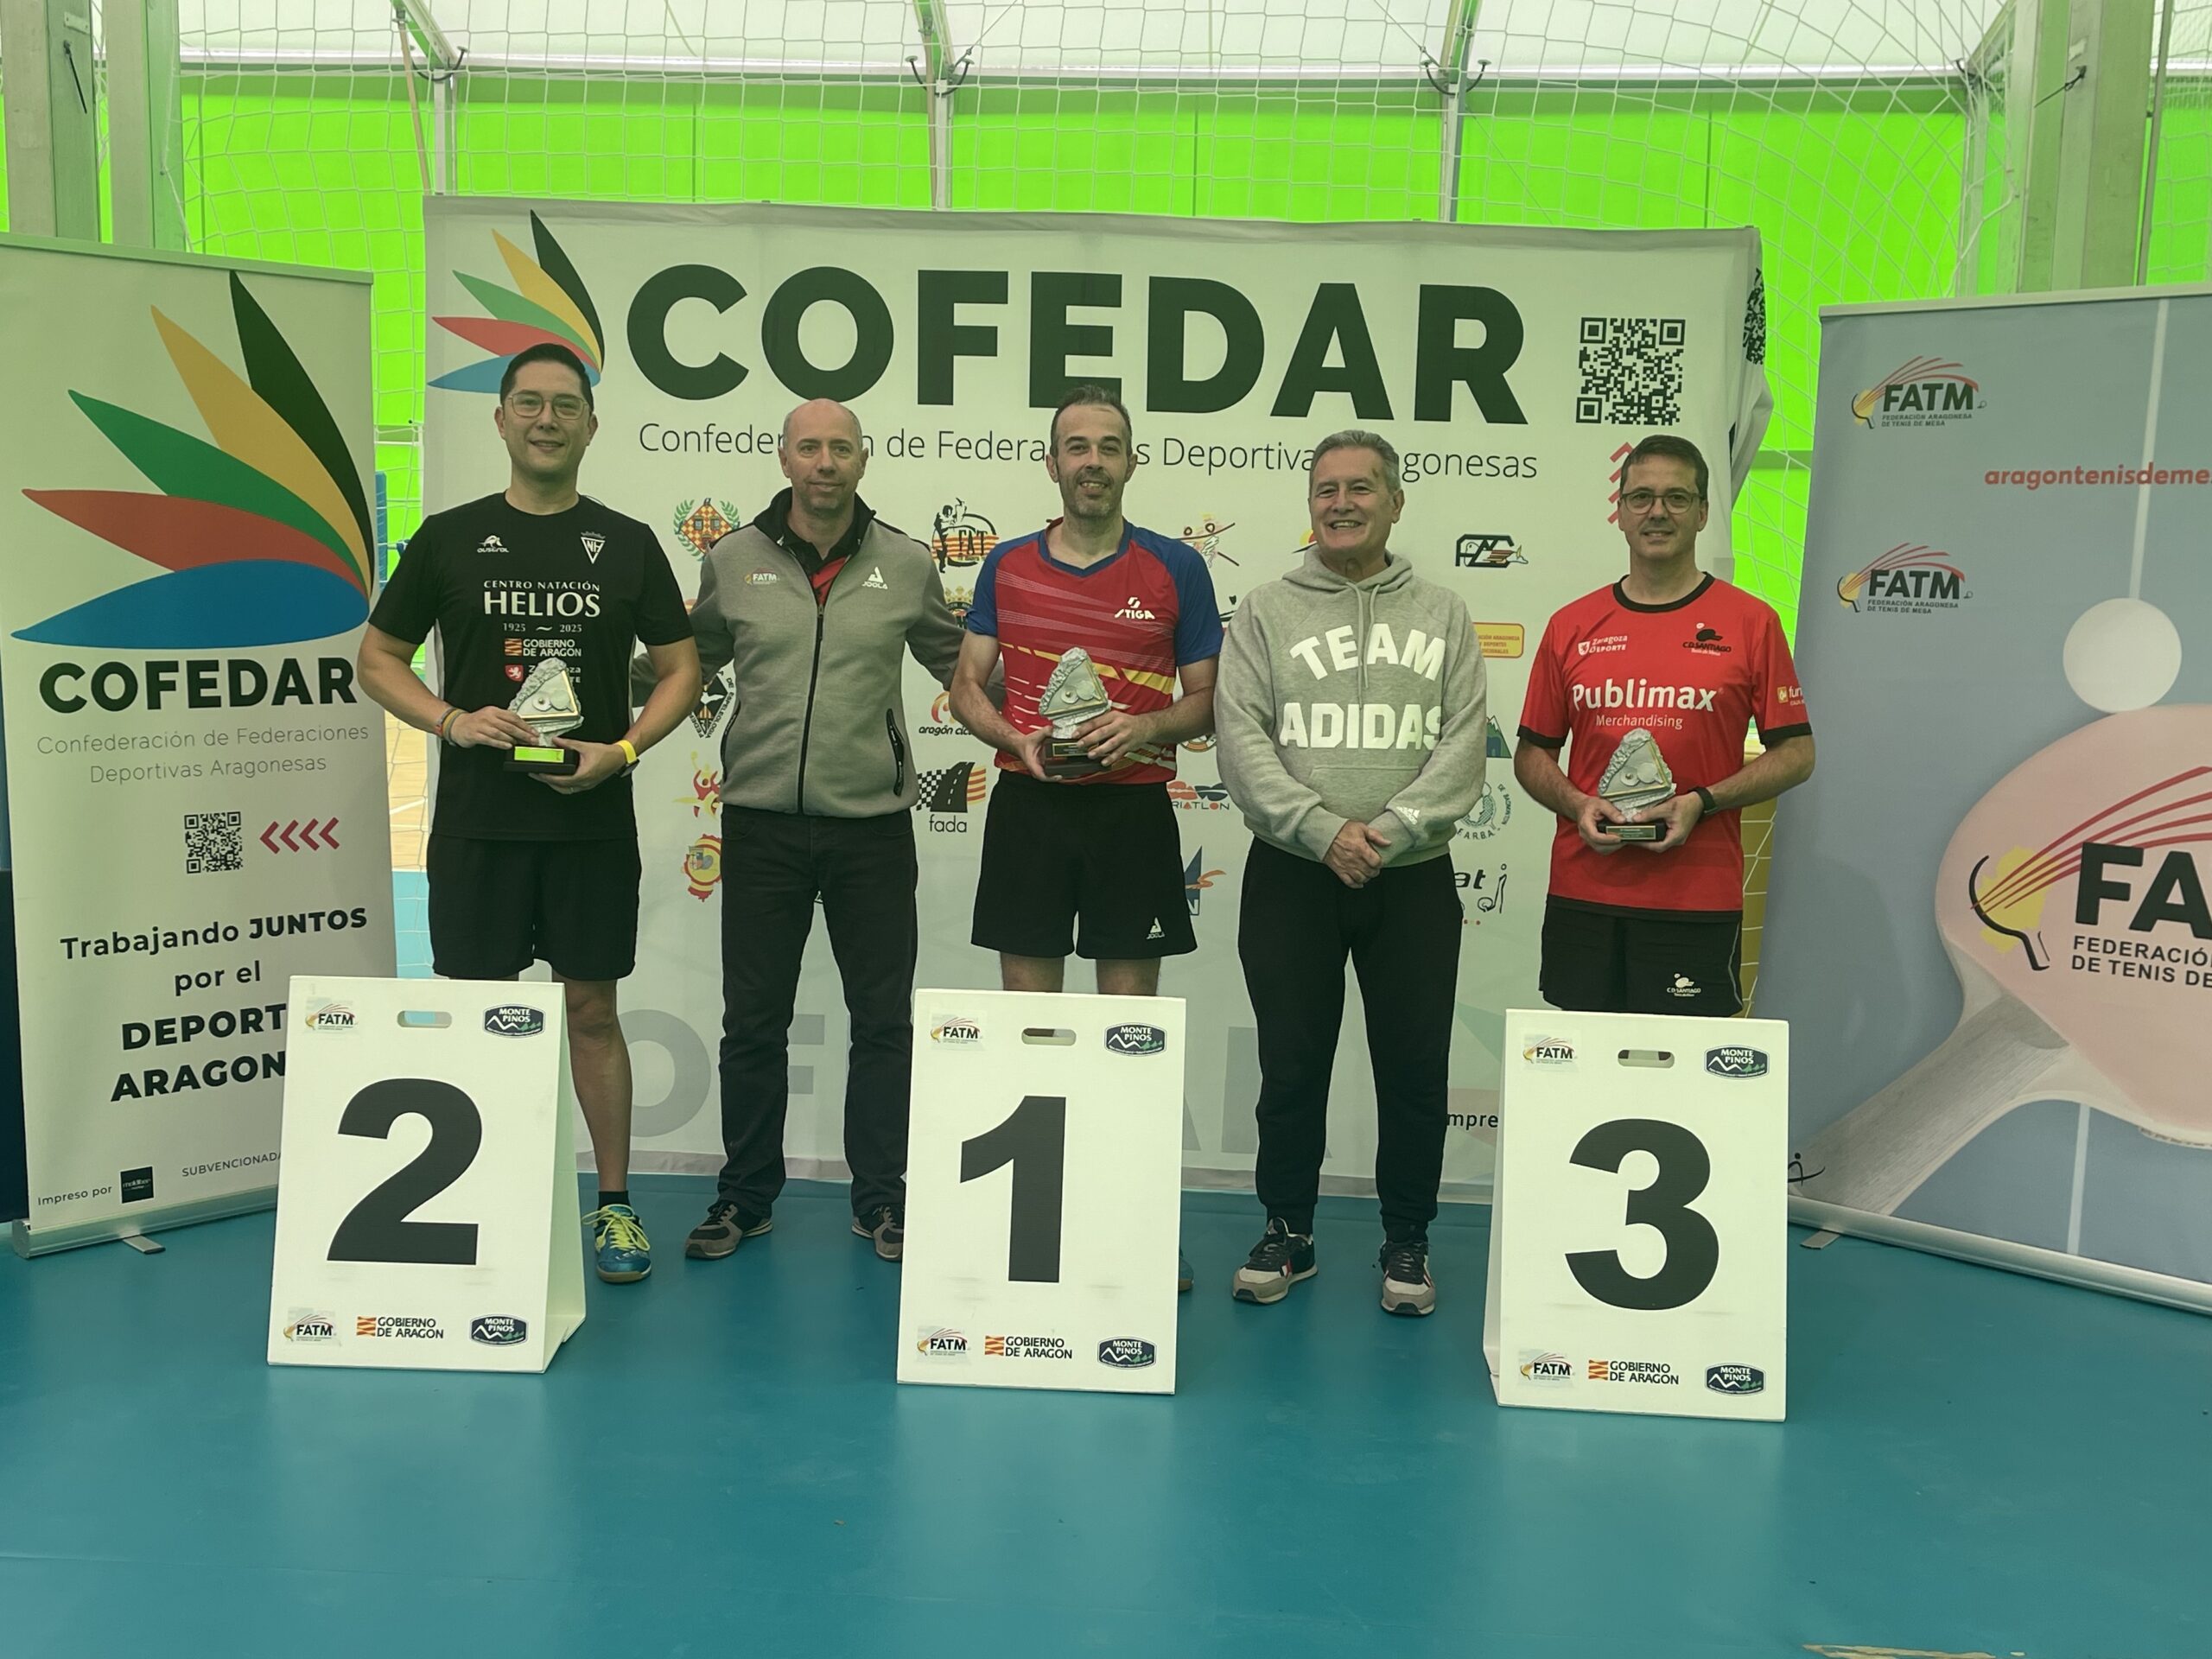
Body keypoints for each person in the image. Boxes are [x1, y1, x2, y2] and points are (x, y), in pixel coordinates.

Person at [359, 340, 702, 1284]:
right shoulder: (448, 538)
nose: (547, 420)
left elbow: (682, 670)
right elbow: (377, 659)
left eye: (565, 405)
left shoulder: (626, 542)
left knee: (592, 1011)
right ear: (501, 418)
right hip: (479, 825)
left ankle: (615, 1205)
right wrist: (450, 719)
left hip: (590, 825)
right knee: (481, 1016)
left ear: (591, 426)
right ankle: (483, 1205)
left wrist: (623, 750)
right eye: (529, 403)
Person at [946, 383, 1222, 1294]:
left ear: (1131, 461)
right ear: (1052, 463)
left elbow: (1206, 702)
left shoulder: (1175, 568)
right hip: (1029, 808)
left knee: (1126, 1035)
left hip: (1131, 814)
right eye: (1076, 446)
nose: (1092, 462)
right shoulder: (1007, 565)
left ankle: (1130, 1226)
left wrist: (1144, 727)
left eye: (1108, 446)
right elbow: (966, 687)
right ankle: (1036, 1230)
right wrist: (1013, 738)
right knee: (1031, 1028)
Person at [683, 398, 965, 1267]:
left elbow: (960, 664)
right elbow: (686, 663)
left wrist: (1049, 715)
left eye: (841, 448)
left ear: (863, 460)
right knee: (752, 1024)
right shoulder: (732, 560)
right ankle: (745, 1196)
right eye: (809, 447)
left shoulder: (907, 564)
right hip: (761, 825)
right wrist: (581, 703)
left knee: (882, 1023)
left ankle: (882, 1199)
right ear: (784, 458)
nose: (825, 463)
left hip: (871, 830)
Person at [1214, 430, 1489, 1318]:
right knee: (1291, 1066)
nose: (1341, 503)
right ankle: (1287, 1230)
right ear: (1310, 505)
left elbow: (1465, 744)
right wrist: (1323, 830)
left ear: (1395, 502)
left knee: (1413, 1070)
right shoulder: (1263, 611)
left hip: (1413, 877)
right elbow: (1240, 740)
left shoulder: (1444, 613)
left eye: (1361, 488)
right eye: (1326, 489)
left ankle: (1407, 1238)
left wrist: (1391, 832)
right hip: (1293, 873)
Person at [1514, 432, 1815, 1015]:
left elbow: (1797, 754)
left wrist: (1703, 801)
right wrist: (1577, 804)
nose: (1658, 512)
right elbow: (1531, 754)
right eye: (1642, 497)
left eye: (1677, 498)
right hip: (1585, 891)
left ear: (1703, 513)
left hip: (1696, 897)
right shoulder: (1571, 625)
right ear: (1621, 512)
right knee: (1583, 1060)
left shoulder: (1751, 622)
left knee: (1683, 1066)